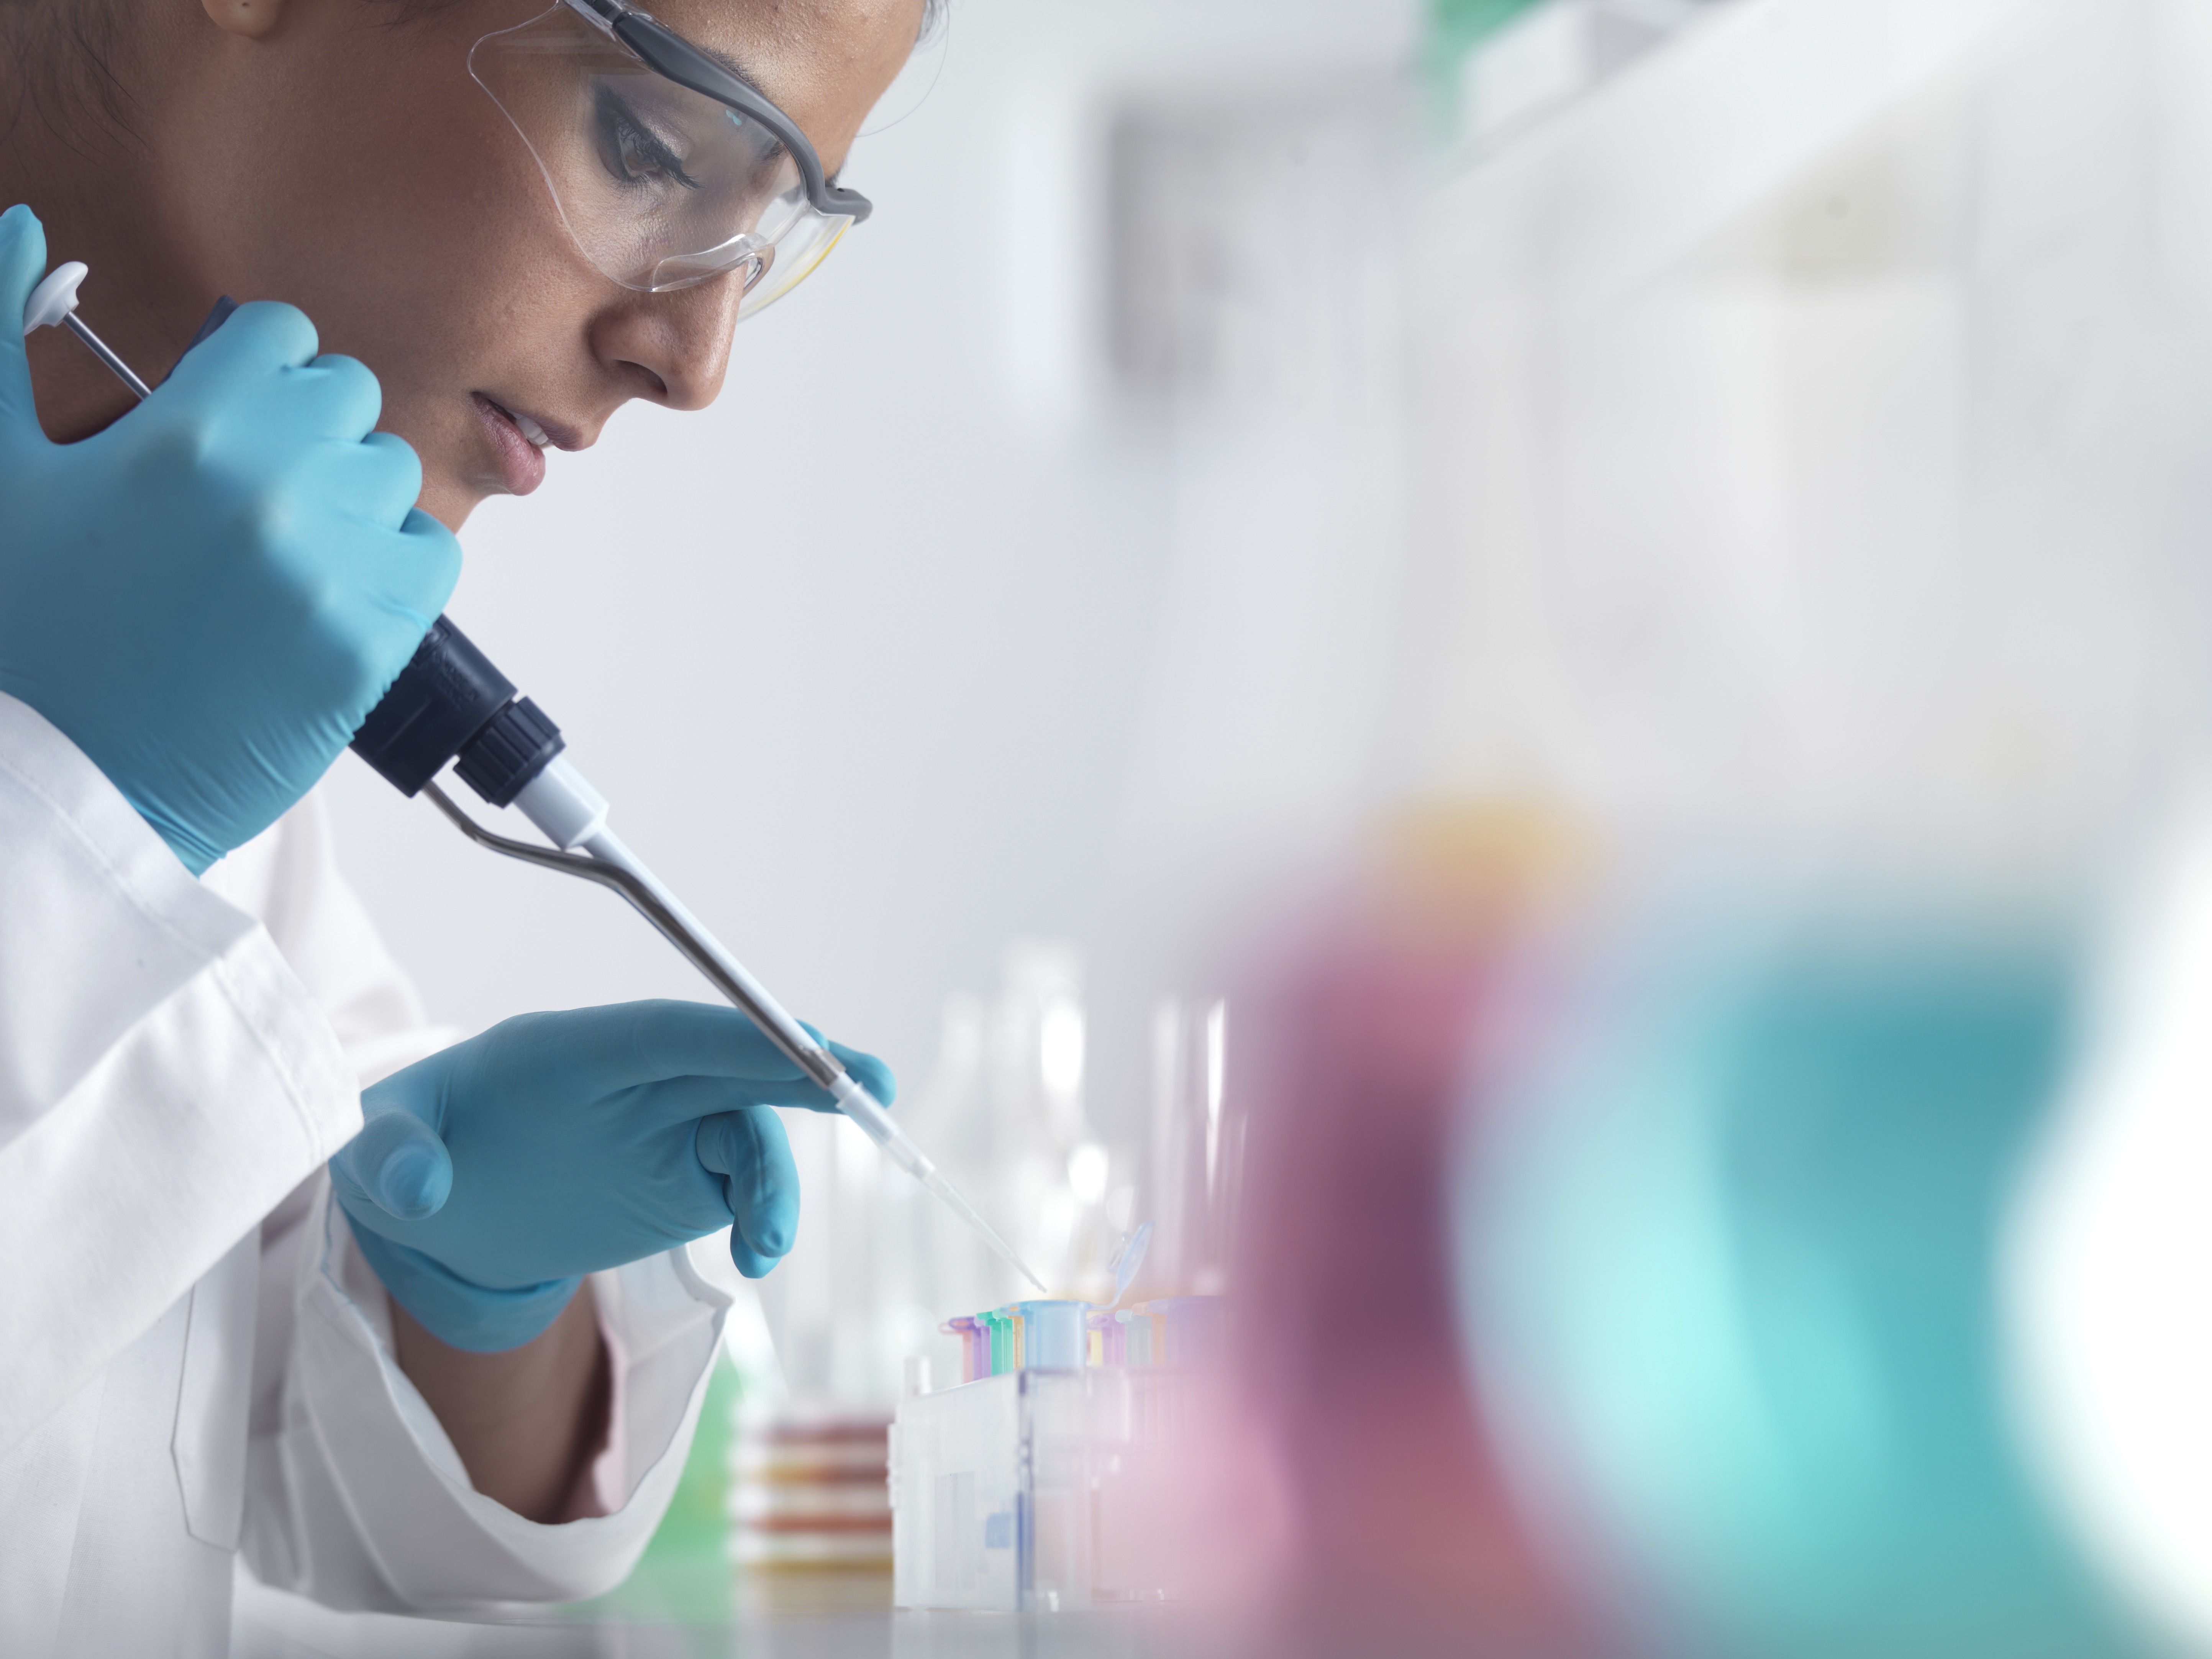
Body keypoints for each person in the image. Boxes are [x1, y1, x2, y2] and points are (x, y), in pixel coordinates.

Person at [0, 0, 929, 1649]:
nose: (696, 362)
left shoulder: (156, 579)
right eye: (651, 150)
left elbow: (261, 1425)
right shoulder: (137, 677)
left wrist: (458, 1289)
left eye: (766, 234)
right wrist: (71, 826)